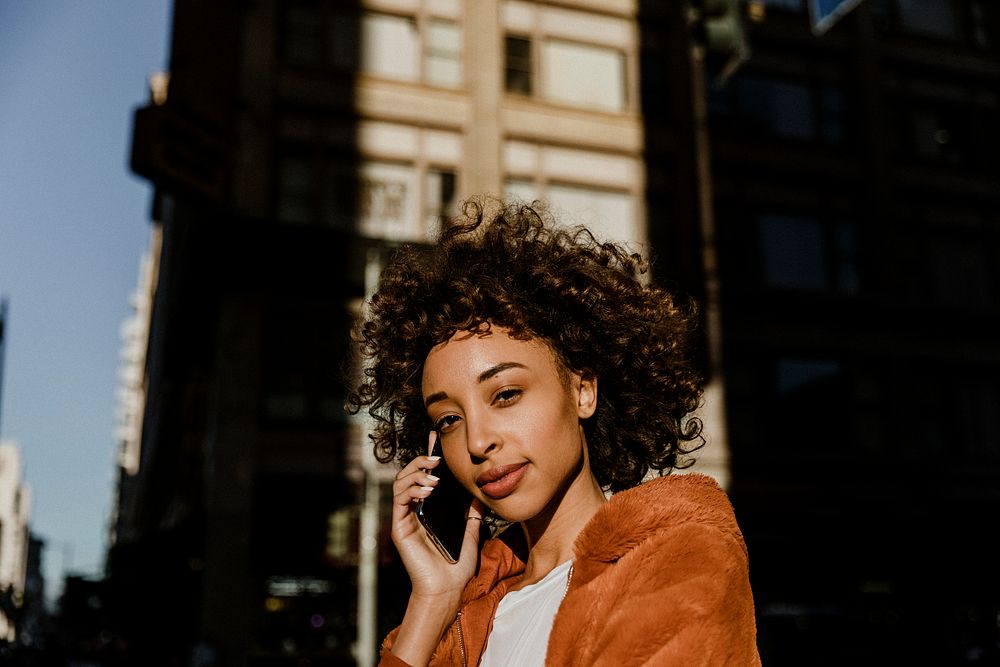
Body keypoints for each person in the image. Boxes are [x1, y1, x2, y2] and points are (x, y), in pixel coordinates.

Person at [347, 199, 760, 666]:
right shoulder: (470, 613)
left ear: (582, 391)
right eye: (449, 420)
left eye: (505, 395)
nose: (478, 442)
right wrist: (433, 599)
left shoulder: (678, 560)